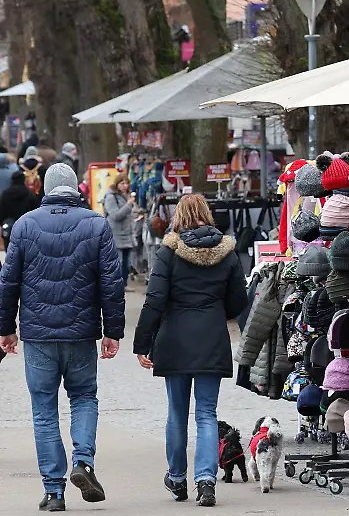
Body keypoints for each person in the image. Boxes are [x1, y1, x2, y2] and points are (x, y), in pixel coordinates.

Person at [0, 163, 125, 512]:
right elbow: (112, 283)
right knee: (84, 397)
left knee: (43, 412)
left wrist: (6, 328)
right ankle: (82, 461)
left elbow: (7, 282)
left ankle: (53, 491)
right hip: (81, 333)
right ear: (76, 189)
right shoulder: (96, 224)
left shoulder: (25, 225)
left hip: (39, 335)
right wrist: (112, 331)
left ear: (45, 188)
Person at [133, 194, 247, 508]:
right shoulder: (228, 253)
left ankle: (177, 478)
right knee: (207, 413)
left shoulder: (168, 252)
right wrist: (218, 311)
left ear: (179, 217)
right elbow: (239, 300)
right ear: (206, 215)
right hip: (211, 336)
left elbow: (155, 300)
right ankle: (207, 480)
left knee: (177, 413)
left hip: (174, 339)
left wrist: (143, 343)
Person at [103, 174, 136, 287]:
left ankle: (124, 284)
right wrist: (128, 205)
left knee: (126, 262)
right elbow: (115, 215)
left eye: (126, 183)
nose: (125, 186)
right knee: (119, 262)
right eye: (122, 183)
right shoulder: (111, 197)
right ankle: (117, 285)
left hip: (128, 234)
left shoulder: (126, 196)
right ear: (116, 184)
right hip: (116, 233)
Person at [0, 170, 41, 247]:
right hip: (26, 229)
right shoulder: (30, 194)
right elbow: (36, 212)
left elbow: (1, 211)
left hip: (9, 228)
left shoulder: (5, 194)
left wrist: (3, 223)